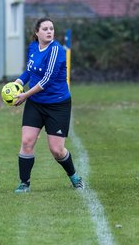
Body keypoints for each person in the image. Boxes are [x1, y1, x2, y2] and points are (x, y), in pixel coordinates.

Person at [13, 17, 84, 193]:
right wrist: (17, 84)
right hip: (36, 103)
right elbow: (29, 71)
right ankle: (24, 183)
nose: (49, 31)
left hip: (57, 105)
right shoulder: (32, 48)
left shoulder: (56, 51)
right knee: (27, 141)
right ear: (36, 32)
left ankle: (74, 176)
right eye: (45, 29)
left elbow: (46, 80)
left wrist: (24, 95)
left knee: (57, 150)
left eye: (51, 28)